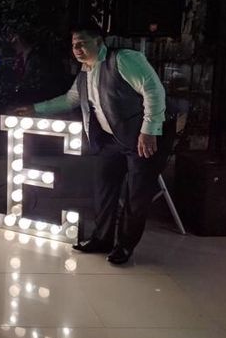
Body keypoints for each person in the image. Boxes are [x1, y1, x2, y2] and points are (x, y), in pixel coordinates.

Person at [14, 24, 168, 265]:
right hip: (110, 142)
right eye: (74, 44)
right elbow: (69, 100)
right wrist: (35, 109)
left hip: (141, 139)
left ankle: (125, 246)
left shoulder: (124, 59)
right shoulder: (85, 73)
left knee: (135, 197)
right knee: (104, 191)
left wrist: (149, 131)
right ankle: (102, 239)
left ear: (99, 42)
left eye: (82, 42)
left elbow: (154, 90)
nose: (77, 48)